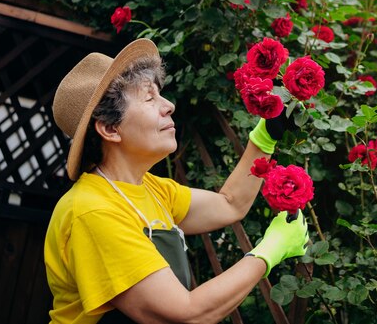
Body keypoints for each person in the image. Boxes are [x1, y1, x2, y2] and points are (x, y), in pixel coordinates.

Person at [45, 38, 309, 324]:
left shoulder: (152, 190)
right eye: (149, 98)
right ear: (110, 128)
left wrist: (265, 137)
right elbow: (184, 314)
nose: (169, 105)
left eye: (161, 95)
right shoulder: (93, 211)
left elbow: (229, 204)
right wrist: (269, 250)